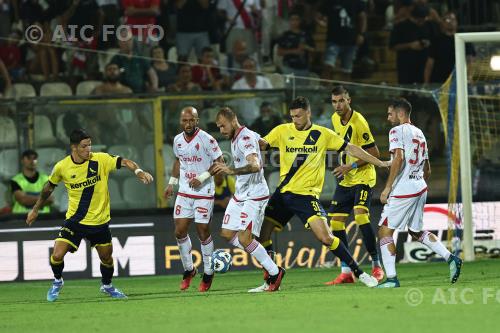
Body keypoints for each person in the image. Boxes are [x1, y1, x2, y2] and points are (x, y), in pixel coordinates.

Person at [251, 96, 390, 292]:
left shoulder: (323, 134)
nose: (295, 120)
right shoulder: (282, 130)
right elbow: (261, 144)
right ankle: (271, 278)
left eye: (298, 116)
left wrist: (380, 163)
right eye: (292, 117)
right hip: (283, 194)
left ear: (308, 113)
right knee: (261, 236)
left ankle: (360, 273)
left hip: (306, 197)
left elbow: (352, 148)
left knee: (326, 237)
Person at [25, 129, 154, 301]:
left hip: (99, 222)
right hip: (75, 221)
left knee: (107, 258)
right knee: (57, 255)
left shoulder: (100, 159)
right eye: (84, 146)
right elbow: (48, 188)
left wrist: (139, 172)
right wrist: (35, 209)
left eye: (90, 145)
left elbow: (125, 162)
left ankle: (107, 286)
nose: (88, 150)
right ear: (74, 147)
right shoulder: (62, 167)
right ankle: (57, 281)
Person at [377, 98, 462, 288]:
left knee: (384, 231)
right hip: (420, 186)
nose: (388, 116)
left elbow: (398, 158)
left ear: (400, 113)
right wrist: (415, 179)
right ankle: (451, 258)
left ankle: (391, 279)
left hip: (404, 189)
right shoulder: (419, 133)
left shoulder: (396, 131)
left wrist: (388, 187)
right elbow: (428, 169)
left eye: (390, 113)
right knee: (415, 231)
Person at [211, 107, 285, 292]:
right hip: (241, 194)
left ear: (233, 120)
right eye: (218, 127)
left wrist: (231, 171)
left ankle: (274, 272)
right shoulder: (247, 135)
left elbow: (255, 165)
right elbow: (261, 143)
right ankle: (266, 261)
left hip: (255, 195)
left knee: (245, 239)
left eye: (223, 126)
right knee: (227, 234)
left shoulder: (244, 139)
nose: (221, 130)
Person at [325, 86, 384, 285]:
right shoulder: (334, 119)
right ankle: (346, 272)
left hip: (363, 176)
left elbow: (374, 154)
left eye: (341, 100)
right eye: (334, 101)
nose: (337, 105)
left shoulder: (359, 122)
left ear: (349, 100)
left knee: (360, 214)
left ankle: (377, 266)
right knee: (335, 223)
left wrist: (350, 165)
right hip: (346, 177)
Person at [164, 106, 224, 292]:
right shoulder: (177, 140)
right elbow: (178, 161)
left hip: (204, 192)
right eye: (185, 120)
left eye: (192, 120)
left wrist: (203, 178)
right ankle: (189, 269)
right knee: (179, 231)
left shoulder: (207, 139)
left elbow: (220, 162)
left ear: (197, 121)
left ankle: (208, 272)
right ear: (180, 121)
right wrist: (172, 183)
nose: (188, 123)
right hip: (184, 192)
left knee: (202, 230)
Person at [11, 150, 52, 214]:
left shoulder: (45, 179)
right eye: (29, 158)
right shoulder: (16, 180)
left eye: (34, 158)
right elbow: (23, 200)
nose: (32, 161)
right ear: (22, 160)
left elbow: (50, 199)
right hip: (21, 220)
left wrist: (28, 198)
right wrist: (42, 199)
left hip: (43, 219)